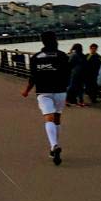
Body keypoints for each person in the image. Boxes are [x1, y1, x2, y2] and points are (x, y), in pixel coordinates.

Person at [21, 31, 70, 165]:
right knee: (57, 118)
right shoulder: (62, 55)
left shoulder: (36, 57)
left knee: (49, 117)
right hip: (60, 90)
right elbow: (68, 74)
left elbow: (33, 77)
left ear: (42, 41)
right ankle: (54, 145)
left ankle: (54, 145)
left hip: (43, 91)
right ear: (55, 40)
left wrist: (26, 90)